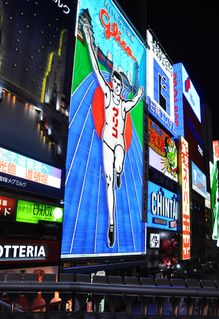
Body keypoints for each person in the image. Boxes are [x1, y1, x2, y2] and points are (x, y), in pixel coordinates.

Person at [83, 24, 143, 248]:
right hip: (107, 141)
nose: (116, 86)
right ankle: (111, 223)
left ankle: (120, 170)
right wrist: (89, 41)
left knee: (119, 163)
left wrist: (138, 94)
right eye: (115, 83)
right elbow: (98, 71)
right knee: (109, 183)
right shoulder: (108, 93)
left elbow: (134, 102)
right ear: (113, 84)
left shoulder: (124, 104)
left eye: (119, 84)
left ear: (121, 86)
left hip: (119, 143)